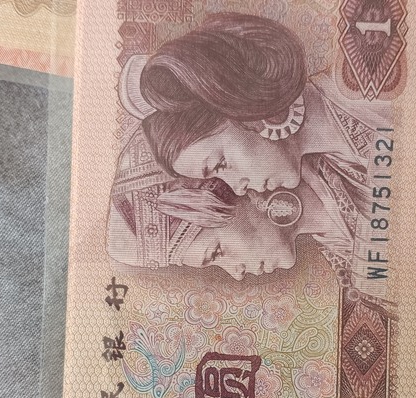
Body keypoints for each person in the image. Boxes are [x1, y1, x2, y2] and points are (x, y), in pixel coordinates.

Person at [111, 12, 392, 296]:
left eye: (221, 164)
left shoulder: (369, 95)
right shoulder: (337, 174)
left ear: (238, 108)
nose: (238, 189)